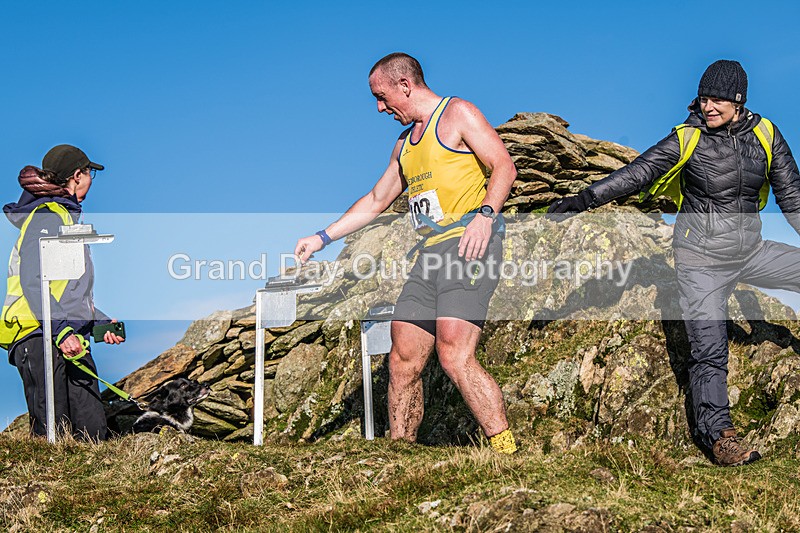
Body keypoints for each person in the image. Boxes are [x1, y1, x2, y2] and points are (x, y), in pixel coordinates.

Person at [548, 60, 800, 466]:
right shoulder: (687, 138)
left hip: (749, 252)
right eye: (704, 98)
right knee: (710, 349)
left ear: (738, 100)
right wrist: (583, 200)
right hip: (700, 260)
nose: (709, 106)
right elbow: (637, 173)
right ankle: (720, 437)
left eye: (717, 99)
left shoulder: (766, 134)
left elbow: (793, 200)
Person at [294, 53, 519, 453]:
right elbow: (378, 198)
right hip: (429, 255)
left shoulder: (458, 113)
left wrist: (485, 215)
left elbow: (504, 166)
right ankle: (400, 456)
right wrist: (322, 238)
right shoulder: (403, 145)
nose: (381, 108)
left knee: (453, 353)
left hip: (469, 246)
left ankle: (507, 450)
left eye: (381, 97)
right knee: (402, 356)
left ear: (404, 85)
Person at [1, 144, 125, 441]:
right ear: (78, 175)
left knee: (93, 435)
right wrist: (60, 331)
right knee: (52, 436)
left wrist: (98, 322)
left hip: (64, 333)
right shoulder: (48, 217)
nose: (91, 181)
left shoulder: (66, 219)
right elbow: (33, 281)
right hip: (37, 332)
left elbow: (67, 290)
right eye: (91, 173)